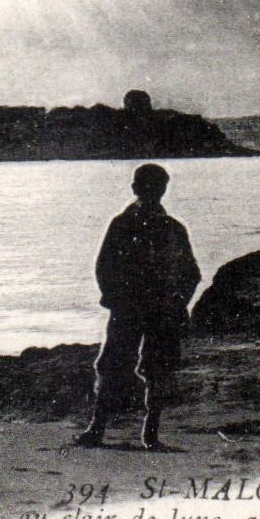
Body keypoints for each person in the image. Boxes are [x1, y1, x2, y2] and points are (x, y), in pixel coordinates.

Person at [72, 163, 201, 450]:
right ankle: (97, 428)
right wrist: (116, 299)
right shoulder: (122, 224)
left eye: (158, 188)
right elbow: (103, 266)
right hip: (128, 309)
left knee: (159, 369)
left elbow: (191, 272)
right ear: (135, 189)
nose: (153, 193)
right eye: (147, 187)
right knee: (112, 365)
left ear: (164, 190)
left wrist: (178, 302)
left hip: (162, 311)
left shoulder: (174, 228)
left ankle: (150, 434)